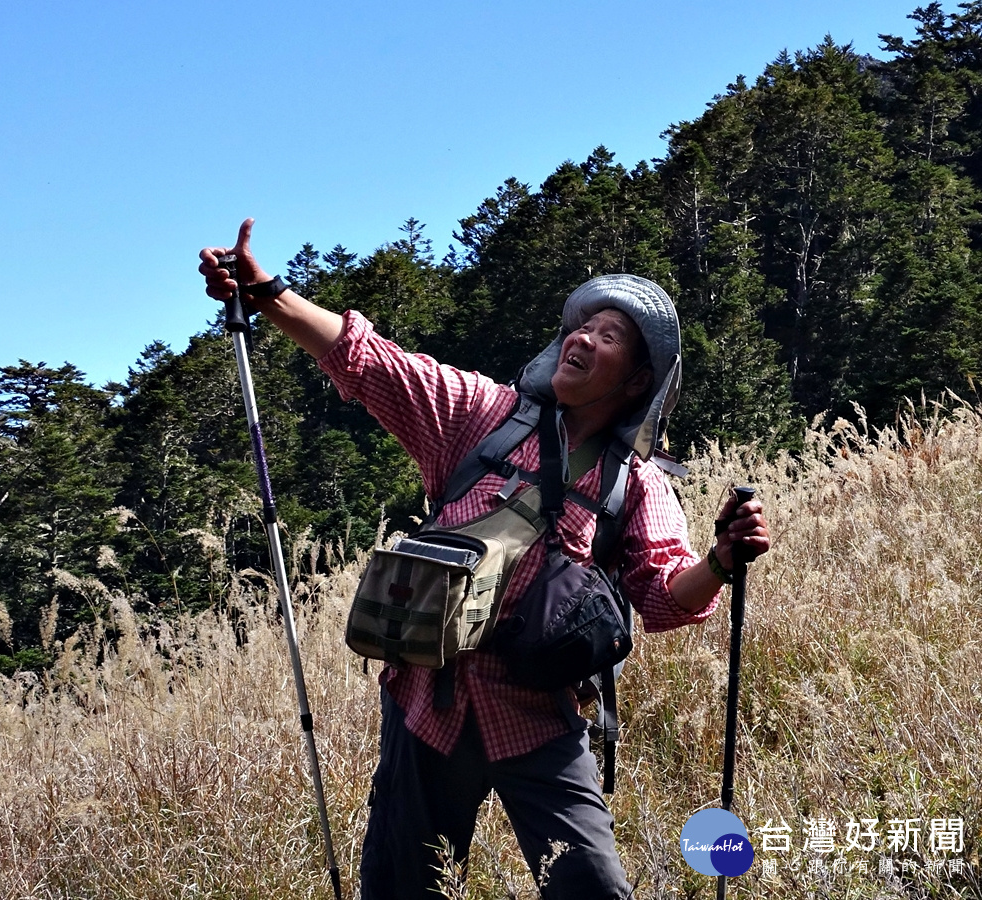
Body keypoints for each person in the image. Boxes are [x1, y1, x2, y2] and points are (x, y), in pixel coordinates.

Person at [199, 218, 772, 899]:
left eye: (609, 335)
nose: (582, 337)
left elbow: (662, 595)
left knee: (589, 886)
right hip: (426, 704)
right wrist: (267, 294)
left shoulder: (635, 483)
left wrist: (721, 560)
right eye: (580, 327)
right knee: (407, 889)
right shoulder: (482, 417)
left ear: (639, 377)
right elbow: (370, 362)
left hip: (539, 710)